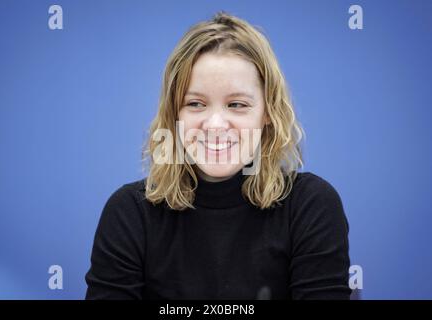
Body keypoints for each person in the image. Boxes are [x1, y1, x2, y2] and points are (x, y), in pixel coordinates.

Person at [85, 11, 351, 300]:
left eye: (236, 104)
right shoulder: (130, 213)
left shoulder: (310, 206)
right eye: (196, 103)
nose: (214, 125)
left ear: (267, 114)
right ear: (175, 114)